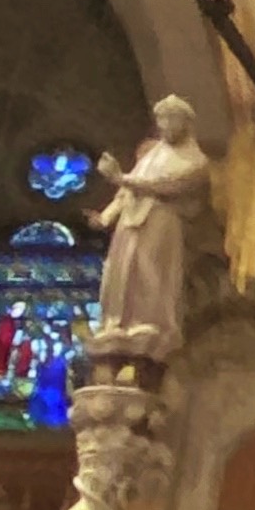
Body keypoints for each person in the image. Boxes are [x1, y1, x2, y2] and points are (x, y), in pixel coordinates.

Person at [93, 99, 212, 351]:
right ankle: (118, 320)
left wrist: (120, 177)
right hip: (131, 221)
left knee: (151, 270)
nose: (166, 125)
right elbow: (126, 191)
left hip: (162, 220)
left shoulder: (197, 161)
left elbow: (169, 185)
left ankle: (150, 320)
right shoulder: (151, 156)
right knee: (123, 268)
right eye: (162, 120)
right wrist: (106, 217)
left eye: (172, 119)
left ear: (186, 124)